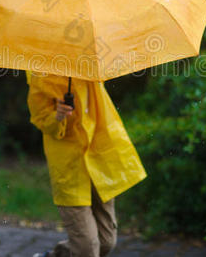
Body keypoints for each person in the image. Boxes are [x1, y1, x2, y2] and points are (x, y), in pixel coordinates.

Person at [26, 70, 147, 257]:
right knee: (87, 249)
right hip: (70, 167)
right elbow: (40, 118)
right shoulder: (39, 73)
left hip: (99, 160)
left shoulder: (91, 64)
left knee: (106, 242)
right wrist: (58, 116)